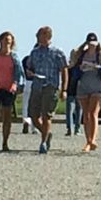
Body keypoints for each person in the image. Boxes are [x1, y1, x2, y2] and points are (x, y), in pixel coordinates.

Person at [26, 26, 68, 154]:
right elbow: (29, 67)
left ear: (46, 36)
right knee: (33, 115)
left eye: (39, 35)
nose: (37, 37)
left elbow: (64, 70)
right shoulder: (34, 52)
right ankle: (47, 132)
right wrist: (29, 72)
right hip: (37, 85)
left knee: (46, 115)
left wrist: (64, 89)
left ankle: (43, 142)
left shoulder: (57, 52)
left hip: (51, 86)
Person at [0, 32, 25, 151]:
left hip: (9, 89)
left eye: (9, 40)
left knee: (7, 116)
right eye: (5, 39)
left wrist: (17, 84)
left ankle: (5, 143)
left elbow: (19, 72)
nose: (7, 42)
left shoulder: (14, 57)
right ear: (1, 41)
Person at [74, 33, 101, 152]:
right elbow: (73, 59)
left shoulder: (100, 55)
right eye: (90, 44)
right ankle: (88, 141)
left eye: (94, 44)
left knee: (93, 113)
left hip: (97, 85)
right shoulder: (82, 54)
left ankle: (93, 139)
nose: (92, 46)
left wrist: (98, 67)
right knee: (86, 114)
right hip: (83, 85)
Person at [65, 46, 83, 136]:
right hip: (74, 90)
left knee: (74, 110)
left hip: (74, 90)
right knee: (75, 110)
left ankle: (73, 128)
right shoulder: (77, 67)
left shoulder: (71, 67)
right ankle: (74, 129)